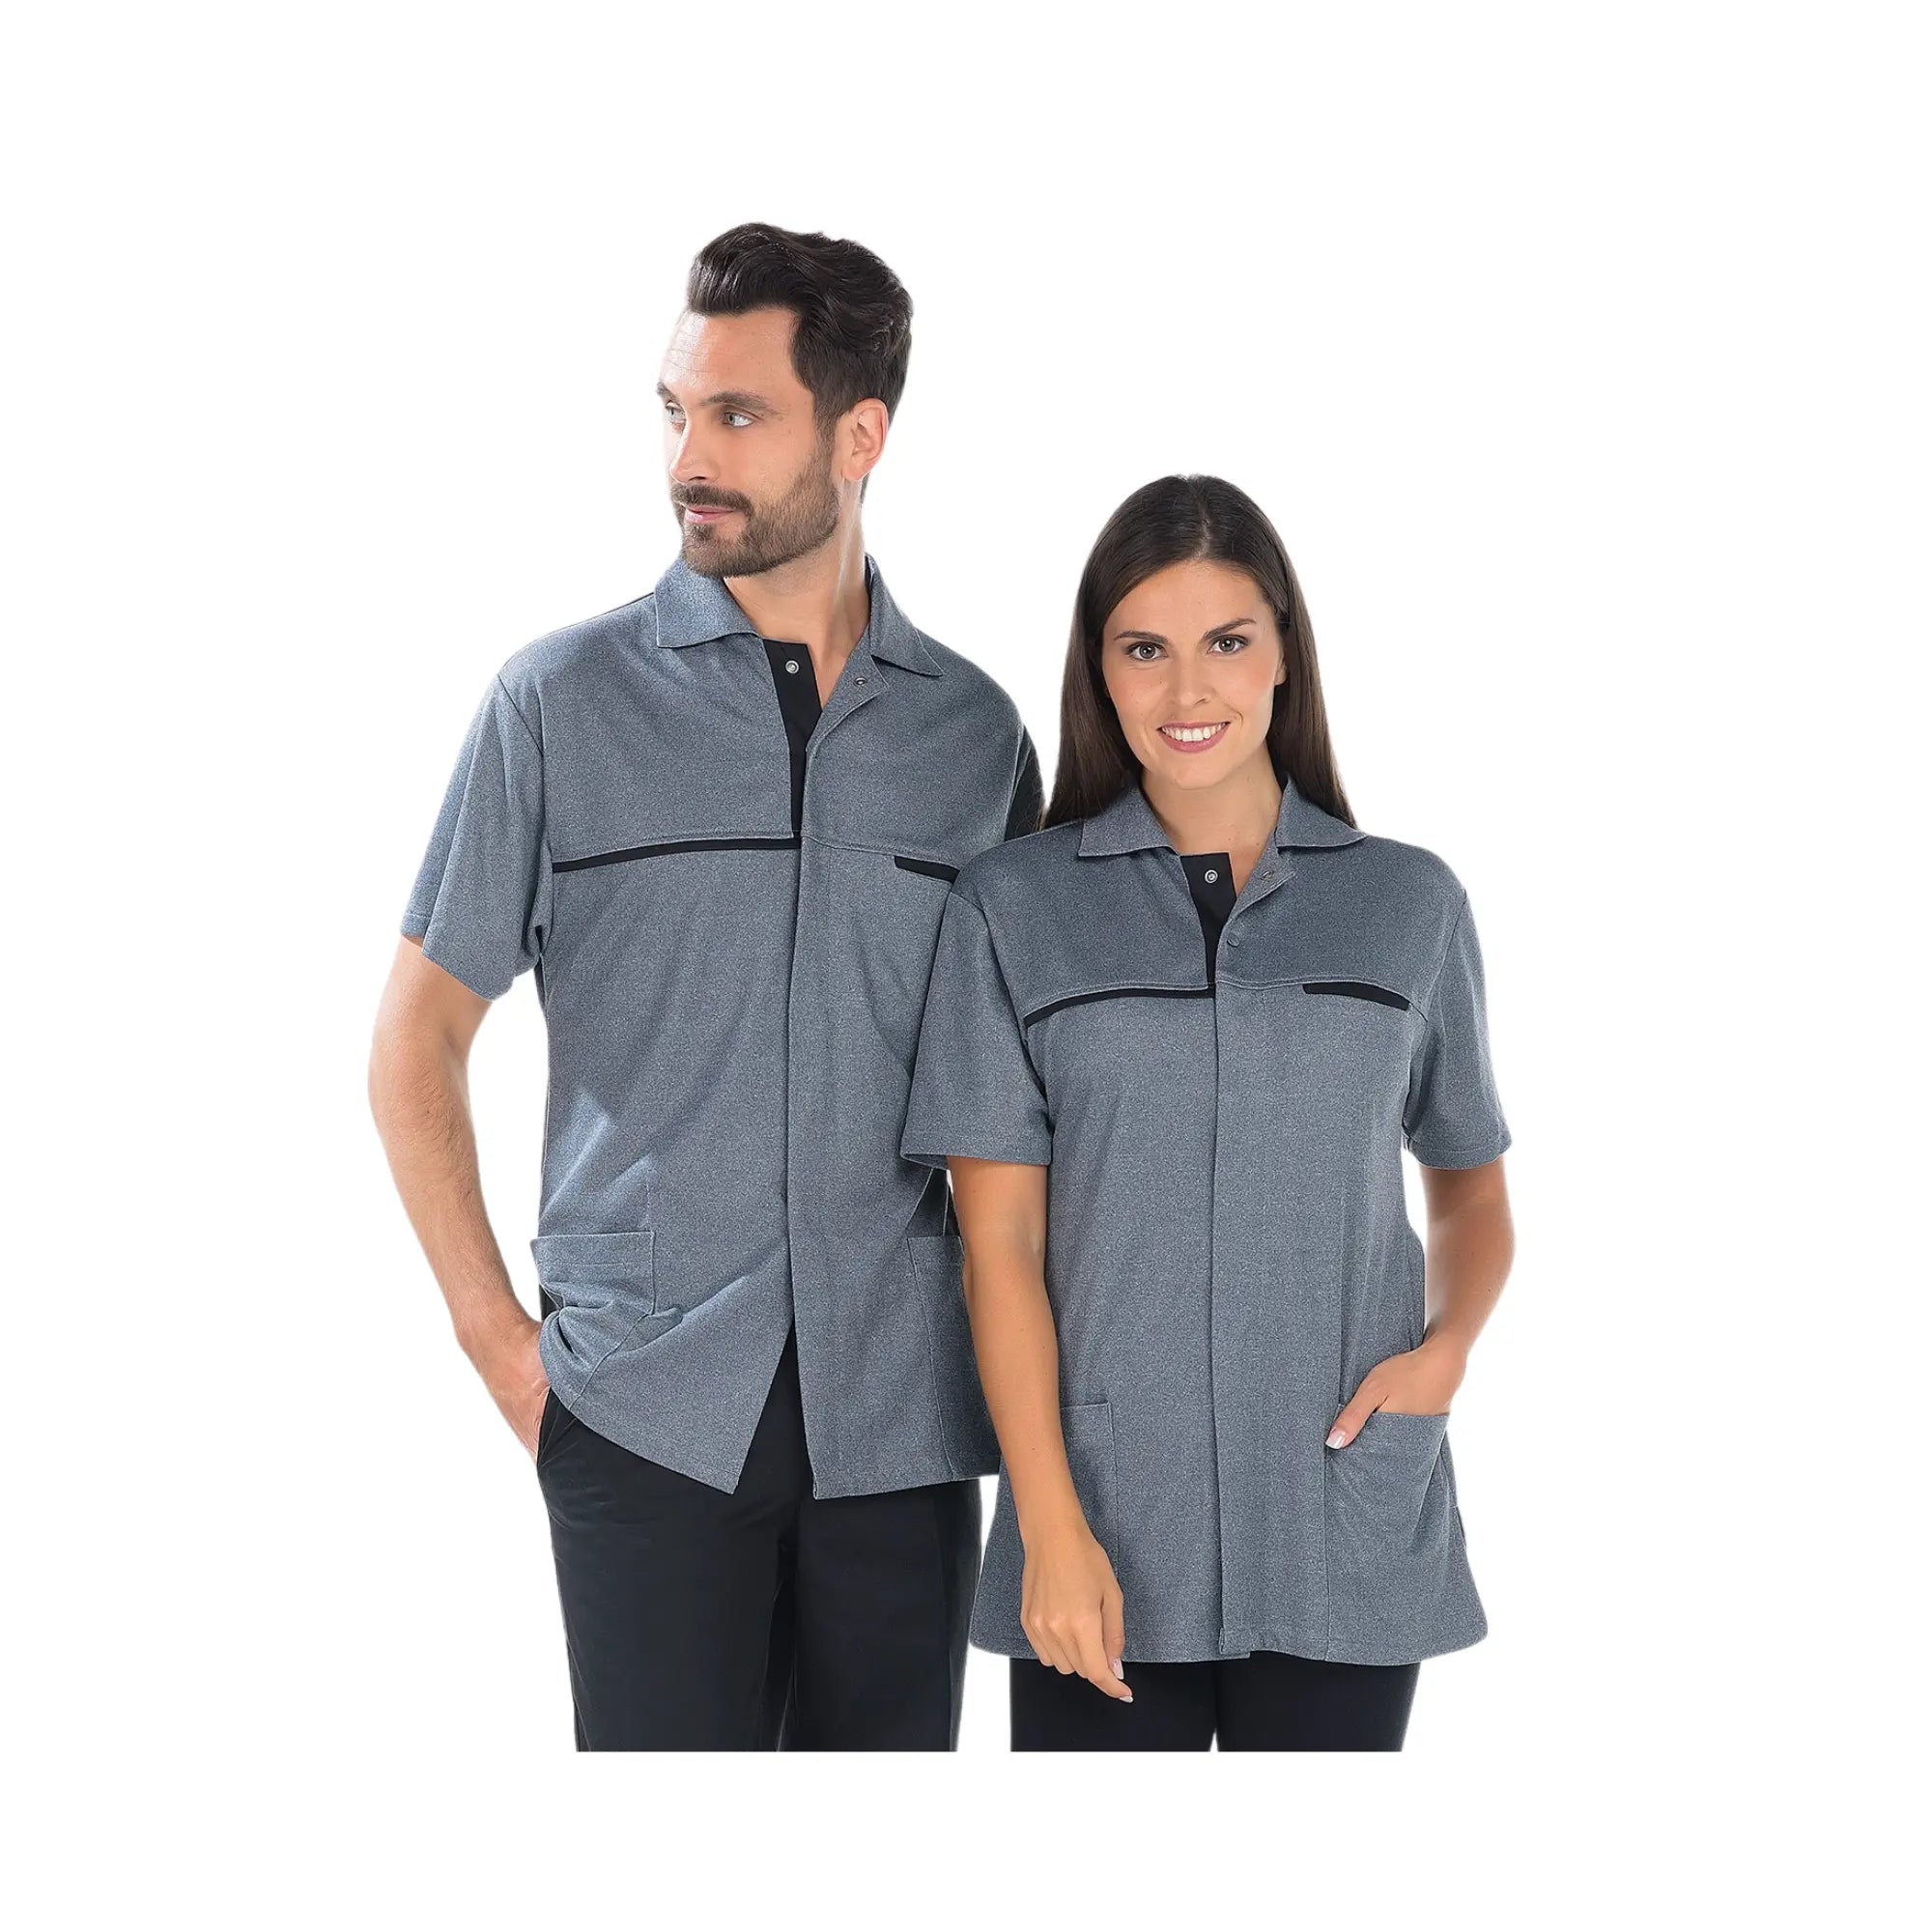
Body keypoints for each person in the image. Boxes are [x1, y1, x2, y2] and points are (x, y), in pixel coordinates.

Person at [368, 222, 1042, 1750]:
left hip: (903, 1419)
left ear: (860, 437)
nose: (691, 458)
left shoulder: (974, 740)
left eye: (739, 415)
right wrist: (505, 1353)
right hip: (642, 1407)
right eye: (676, 411)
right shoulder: (559, 705)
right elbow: (416, 1042)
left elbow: (1018, 1113)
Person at [898, 474, 1515, 1750]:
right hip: (1108, 1525)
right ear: (1100, 669)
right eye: (1145, 650)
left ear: (1285, 652)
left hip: (1340, 1509)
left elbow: (1469, 1185)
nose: (1189, 691)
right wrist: (1050, 1526)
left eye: (1227, 642)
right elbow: (999, 1245)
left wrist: (1446, 1350)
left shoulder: (1409, 906)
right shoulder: (1013, 907)